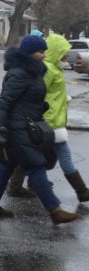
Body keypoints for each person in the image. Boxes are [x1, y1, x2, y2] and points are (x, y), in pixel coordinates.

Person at [0, 36, 79, 224]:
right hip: (17, 128)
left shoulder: (32, 71)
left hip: (25, 125)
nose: (43, 55)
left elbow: (26, 99)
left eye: (44, 51)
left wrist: (40, 107)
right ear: (28, 53)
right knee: (36, 166)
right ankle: (55, 210)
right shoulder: (20, 73)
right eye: (40, 51)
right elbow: (5, 101)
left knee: (7, 164)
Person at [41, 33, 89, 202]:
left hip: (55, 118)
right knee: (64, 155)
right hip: (50, 120)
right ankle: (82, 191)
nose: (68, 54)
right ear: (56, 50)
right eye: (64, 50)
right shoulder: (47, 69)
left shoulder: (54, 67)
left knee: (35, 156)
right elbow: (39, 93)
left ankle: (20, 184)